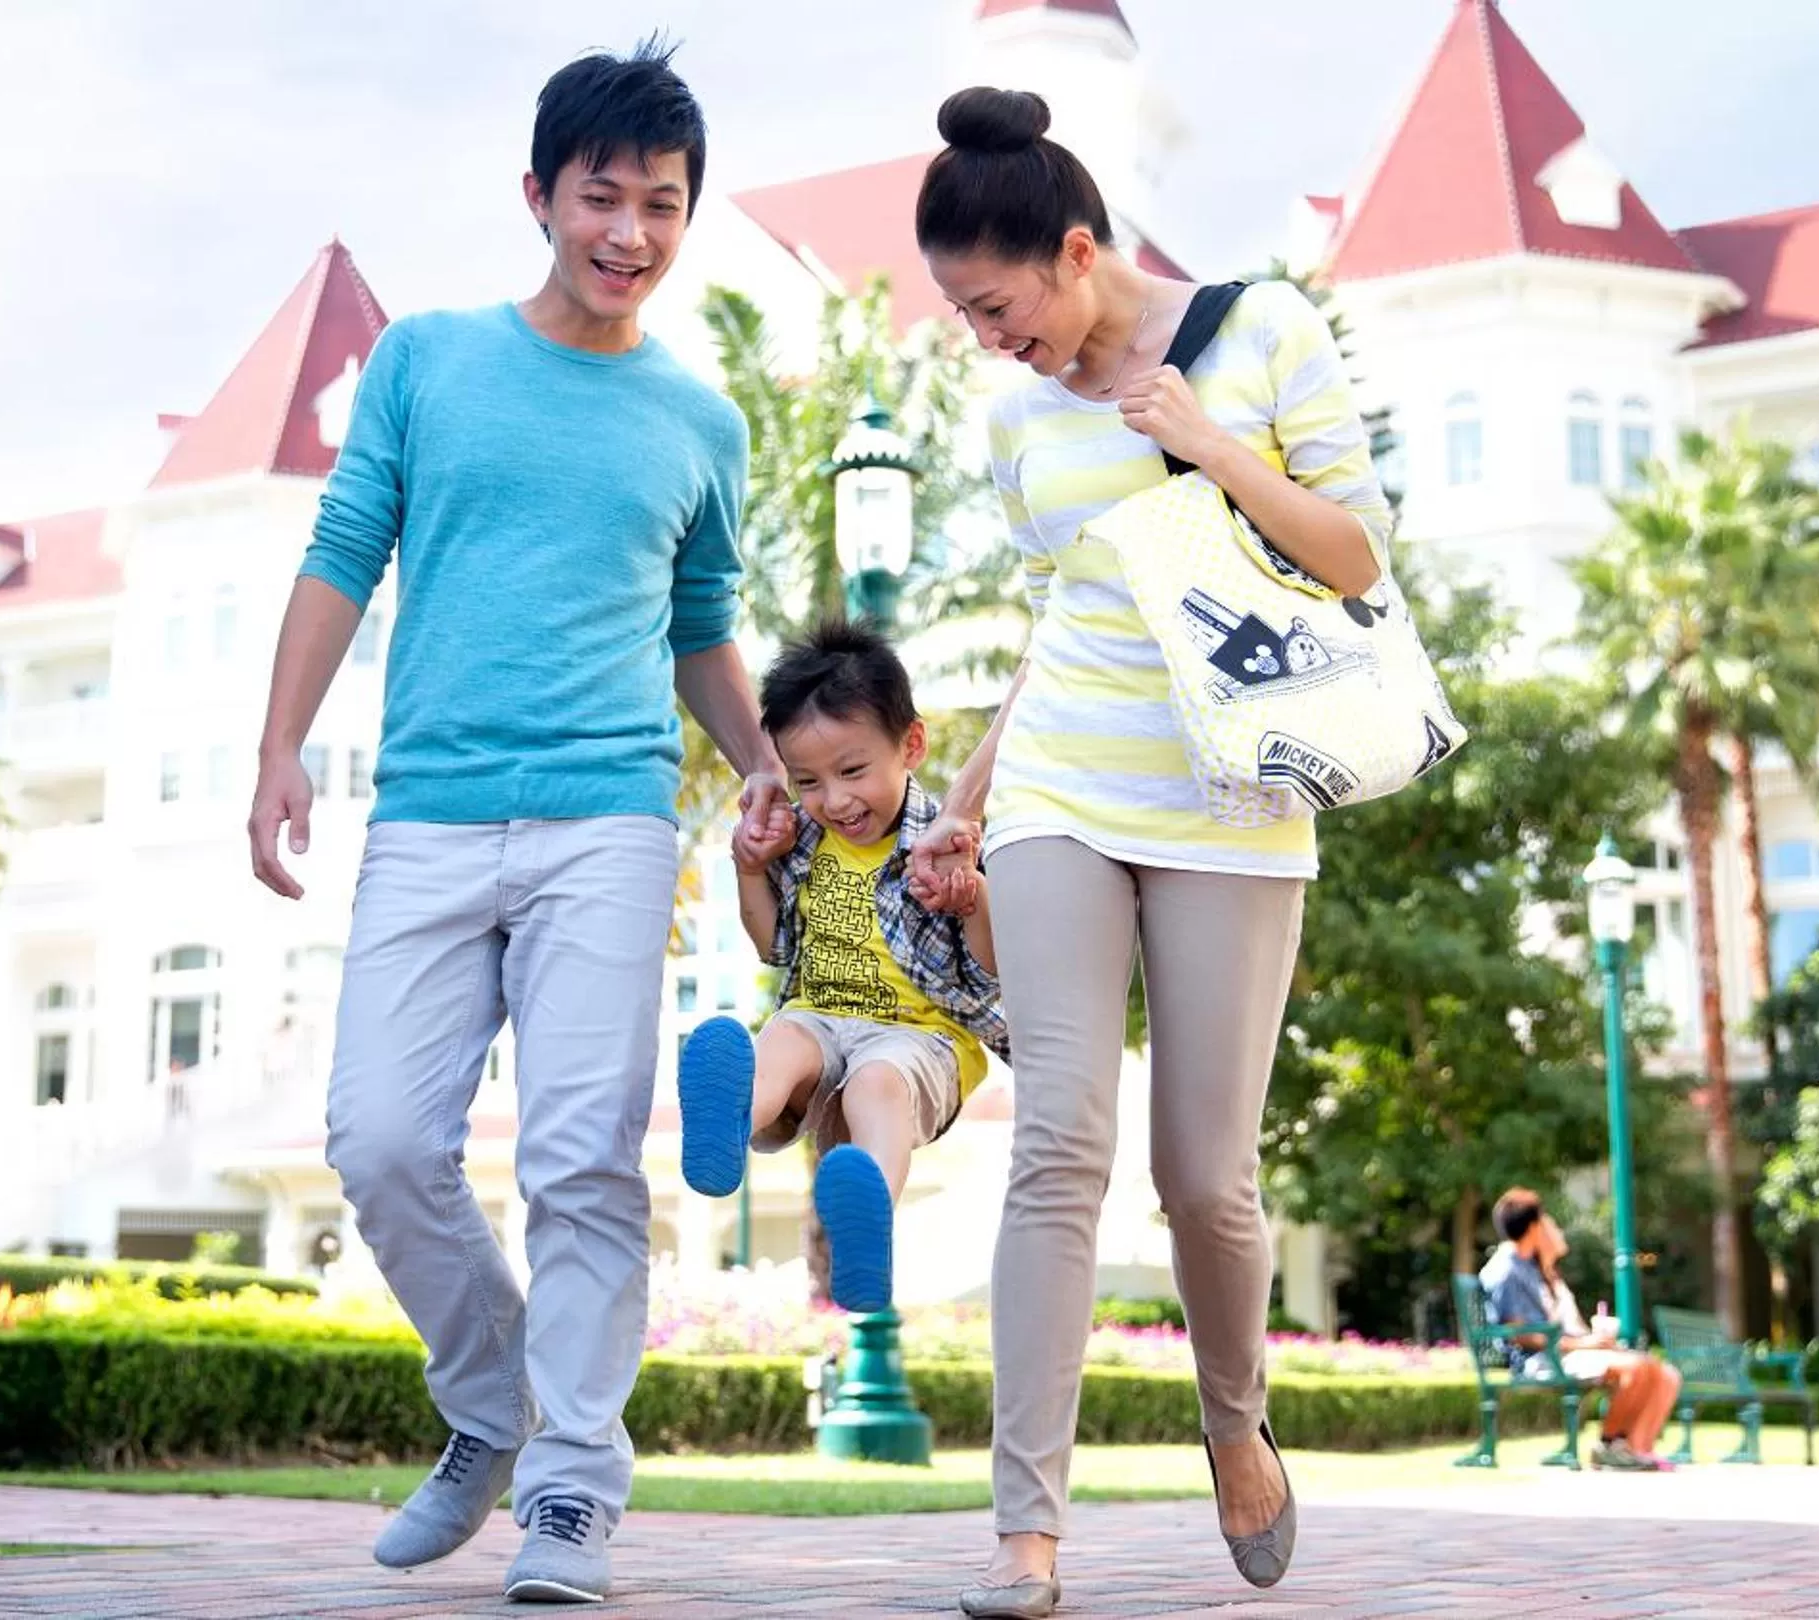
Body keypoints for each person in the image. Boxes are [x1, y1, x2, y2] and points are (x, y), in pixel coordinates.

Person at [243, 41, 782, 1606]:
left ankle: (568, 1495)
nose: (627, 231)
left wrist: (754, 757)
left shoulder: (701, 423)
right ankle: (492, 1409)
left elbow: (699, 628)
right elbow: (346, 548)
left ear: (687, 219)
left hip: (611, 821)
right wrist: (279, 745)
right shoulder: (427, 359)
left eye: (661, 205)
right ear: (538, 195)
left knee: (579, 1163)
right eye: (600, 196)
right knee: (383, 1140)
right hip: (426, 809)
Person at [907, 86, 1397, 1618]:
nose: (992, 341)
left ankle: (1233, 1428)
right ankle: (1024, 1538)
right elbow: (1067, 621)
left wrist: (1201, 445)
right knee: (1057, 1143)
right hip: (1064, 791)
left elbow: (1352, 551)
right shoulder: (1010, 421)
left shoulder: (1261, 335)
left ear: (1071, 252)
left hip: (1235, 800)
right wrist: (972, 792)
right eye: (963, 320)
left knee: (1206, 1180)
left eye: (998, 307)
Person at [675, 621, 1009, 1313]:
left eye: (851, 771)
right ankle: (724, 1130)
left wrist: (973, 899)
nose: (832, 800)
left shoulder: (947, 842)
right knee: (781, 1041)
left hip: (921, 1037)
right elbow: (773, 947)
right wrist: (749, 870)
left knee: (877, 1087)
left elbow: (990, 970)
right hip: (818, 1011)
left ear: (909, 745)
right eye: (807, 781)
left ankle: (866, 1218)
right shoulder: (802, 840)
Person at [1476, 1188, 1682, 1471]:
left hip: (1560, 1353)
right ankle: (1609, 1446)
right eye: (1545, 1219)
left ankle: (1630, 1448)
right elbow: (1522, 1335)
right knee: (1635, 1367)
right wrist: (1585, 1344)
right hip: (1539, 1361)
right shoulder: (1506, 1269)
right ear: (1534, 1226)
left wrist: (1591, 1341)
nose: (1550, 1225)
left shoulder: (1528, 1267)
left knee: (1648, 1366)